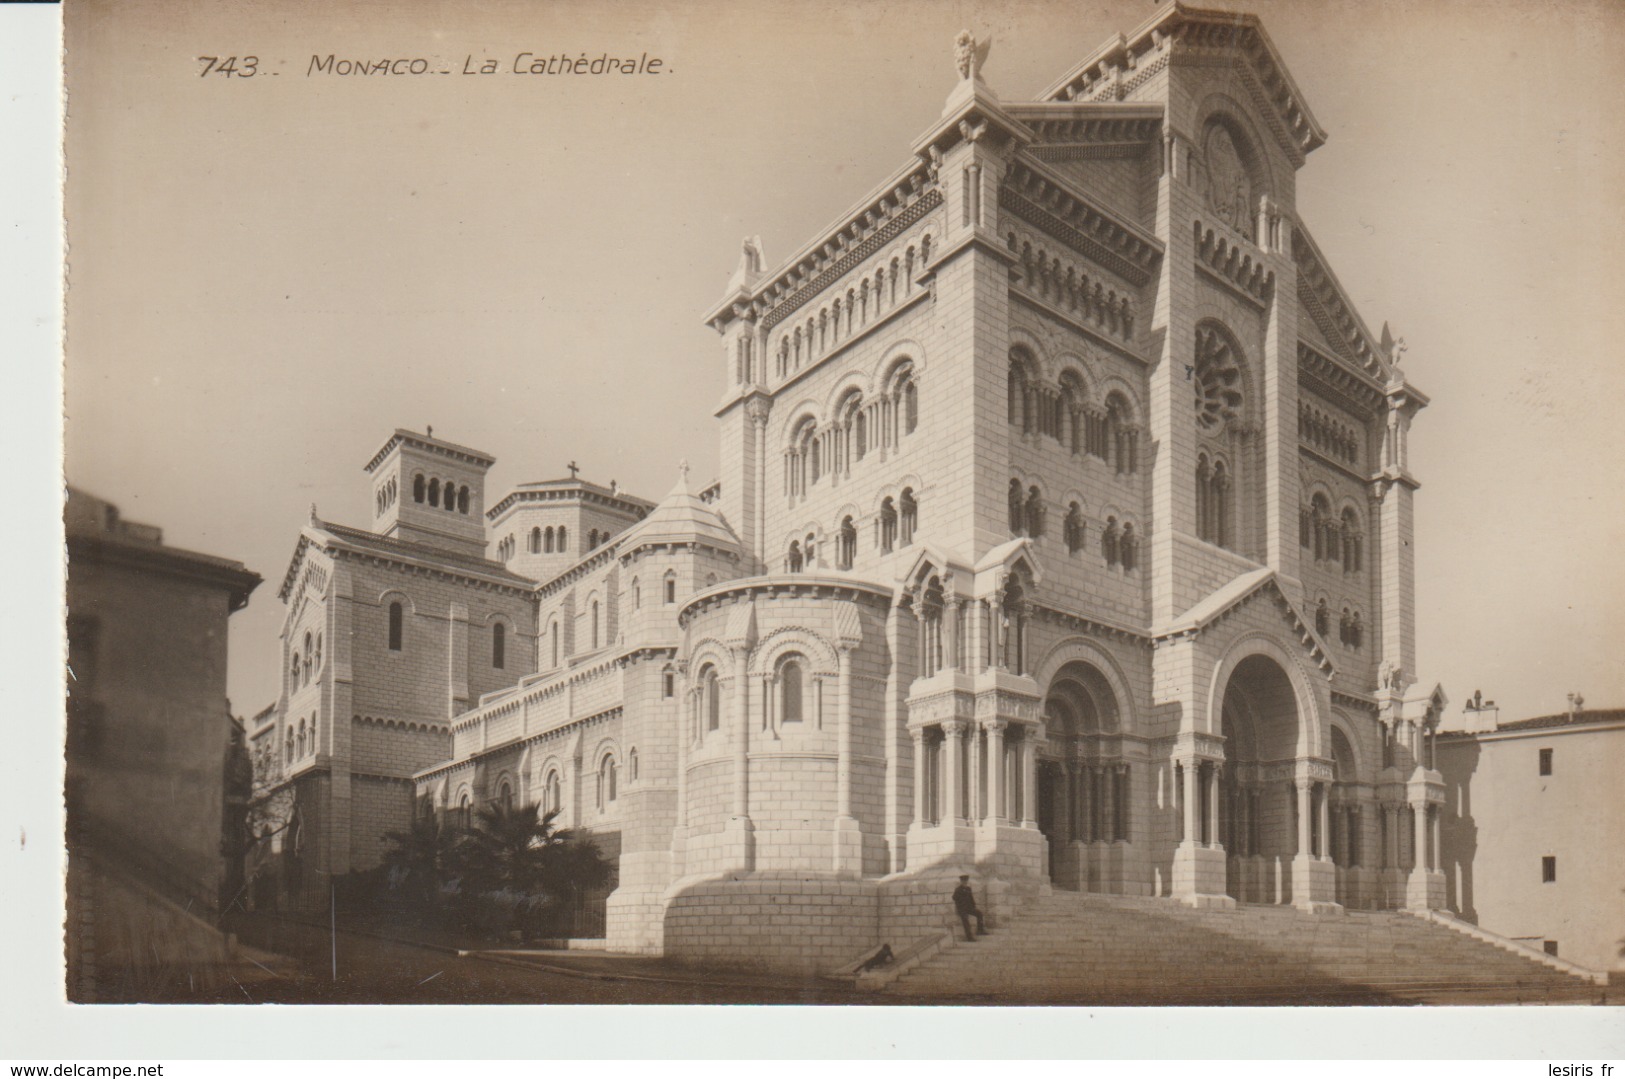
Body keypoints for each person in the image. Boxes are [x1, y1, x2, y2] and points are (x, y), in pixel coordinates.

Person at [952, 874, 985, 942]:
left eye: (966, 881)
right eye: (963, 881)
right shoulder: (958, 889)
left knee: (979, 913)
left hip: (969, 908)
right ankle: (969, 937)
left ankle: (980, 930)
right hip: (962, 909)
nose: (965, 882)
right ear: (961, 881)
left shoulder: (968, 889)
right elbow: (954, 898)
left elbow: (971, 898)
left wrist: (973, 906)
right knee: (966, 921)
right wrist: (960, 904)